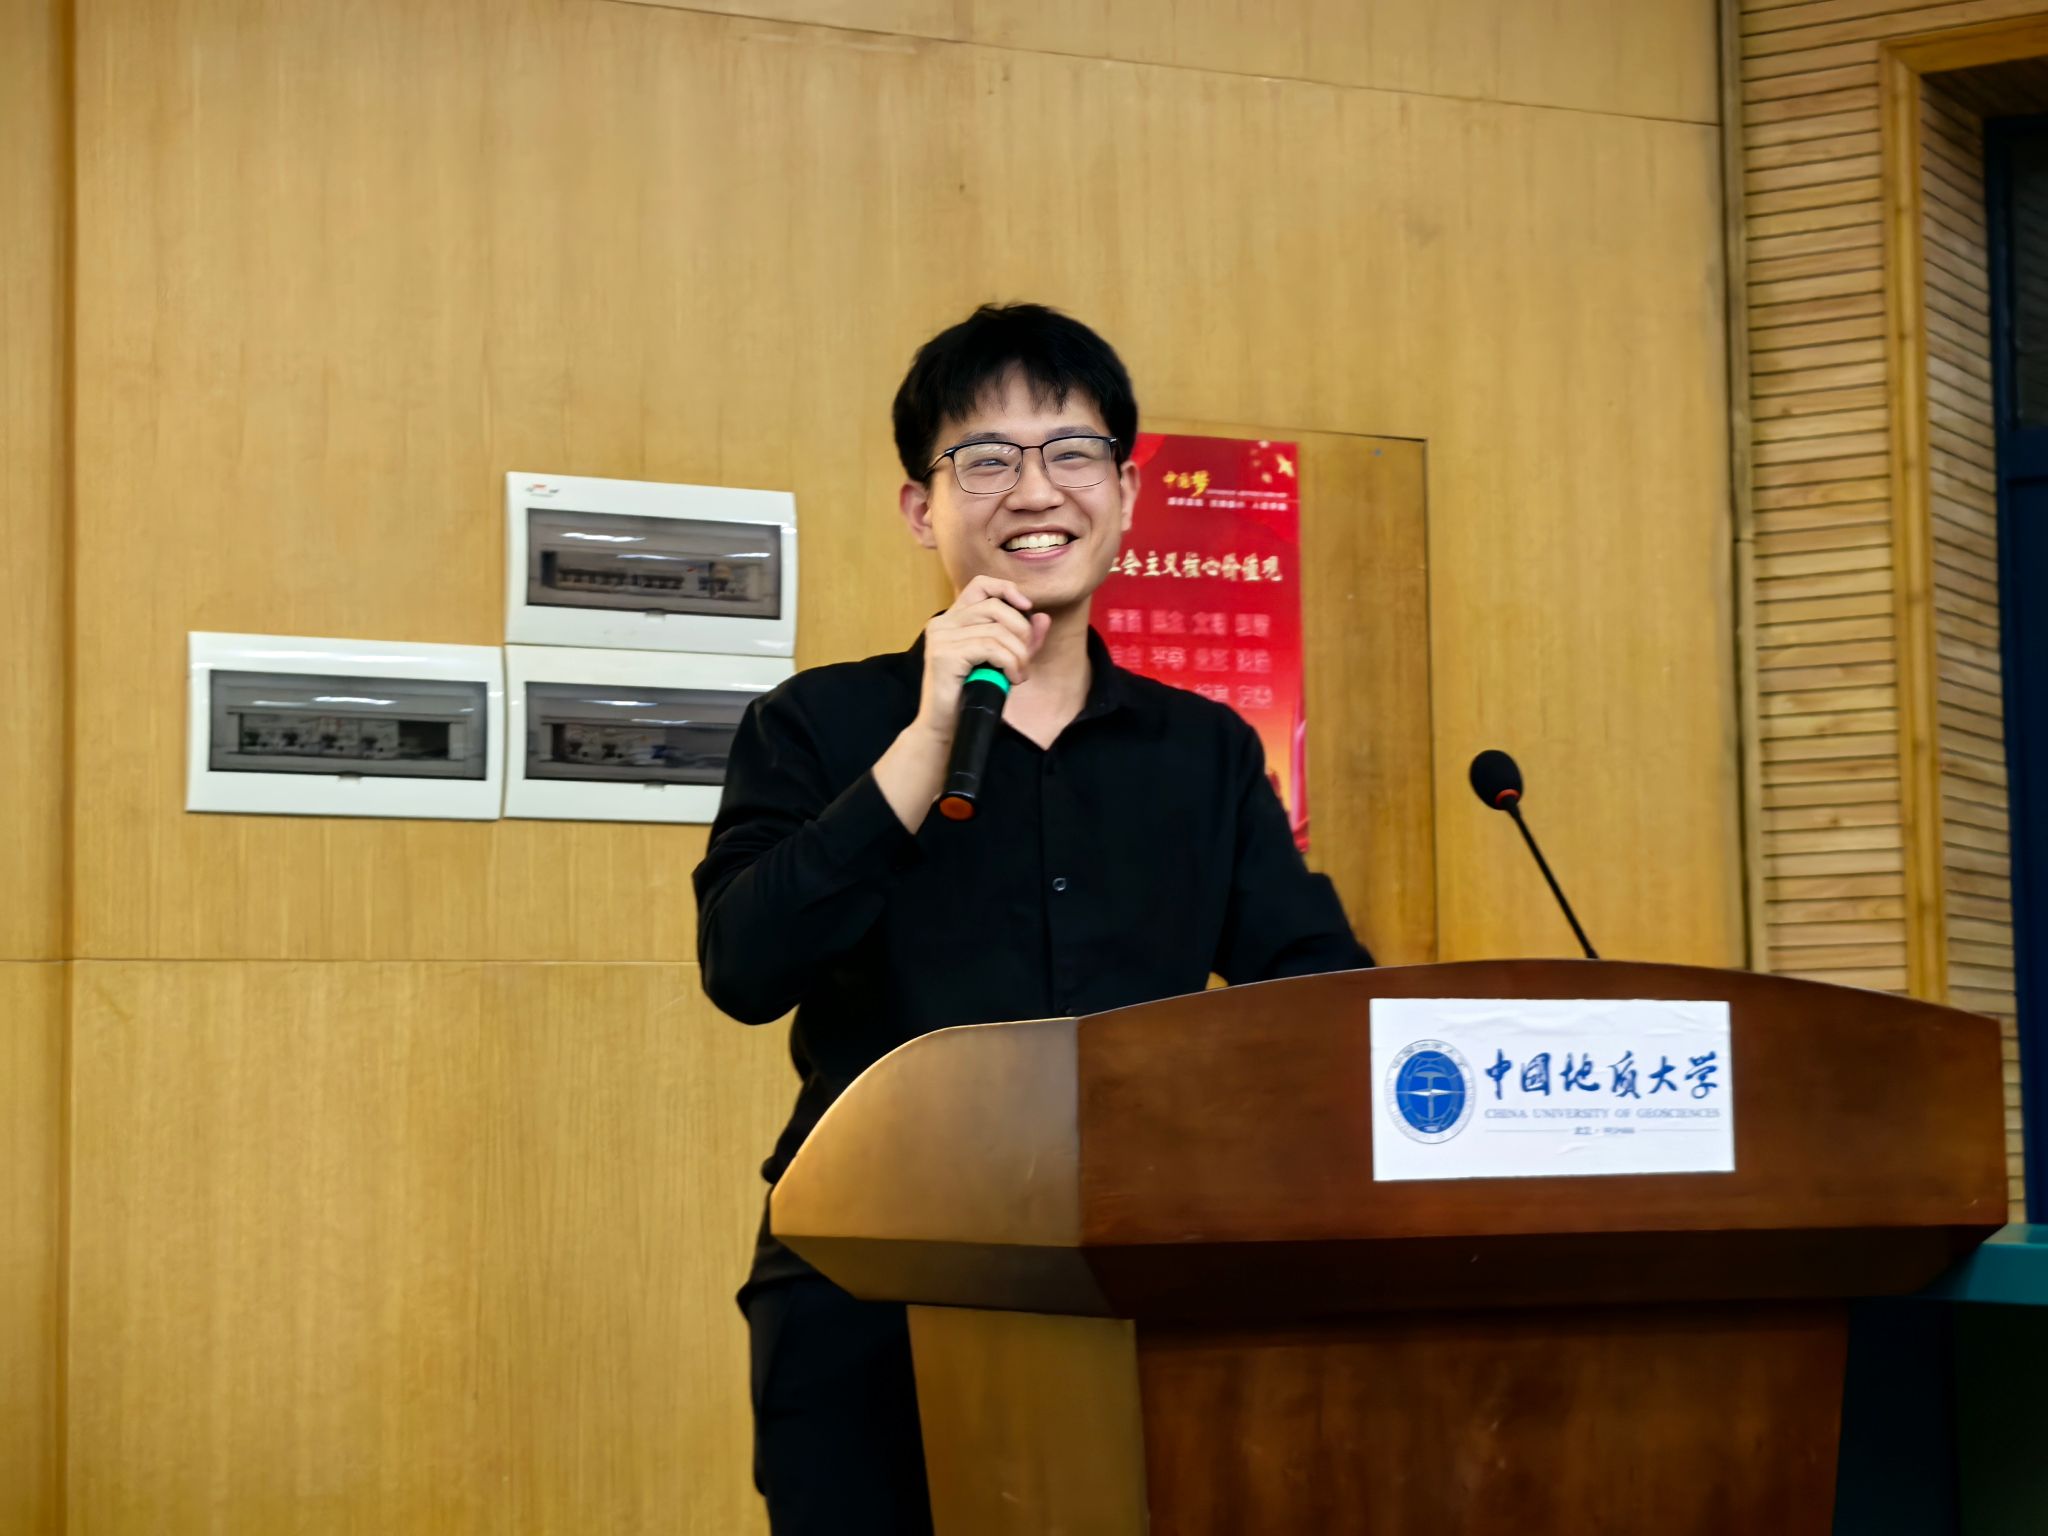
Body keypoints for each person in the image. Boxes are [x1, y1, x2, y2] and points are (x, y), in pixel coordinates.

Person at [693, 302, 1372, 1535]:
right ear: (921, 508)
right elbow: (743, 965)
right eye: (986, 458)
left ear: (1125, 492)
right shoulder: (813, 726)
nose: (1034, 490)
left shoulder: (1203, 753)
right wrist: (925, 739)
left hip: (1148, 1274)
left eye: (1070, 452)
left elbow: (1315, 995)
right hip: (869, 1271)